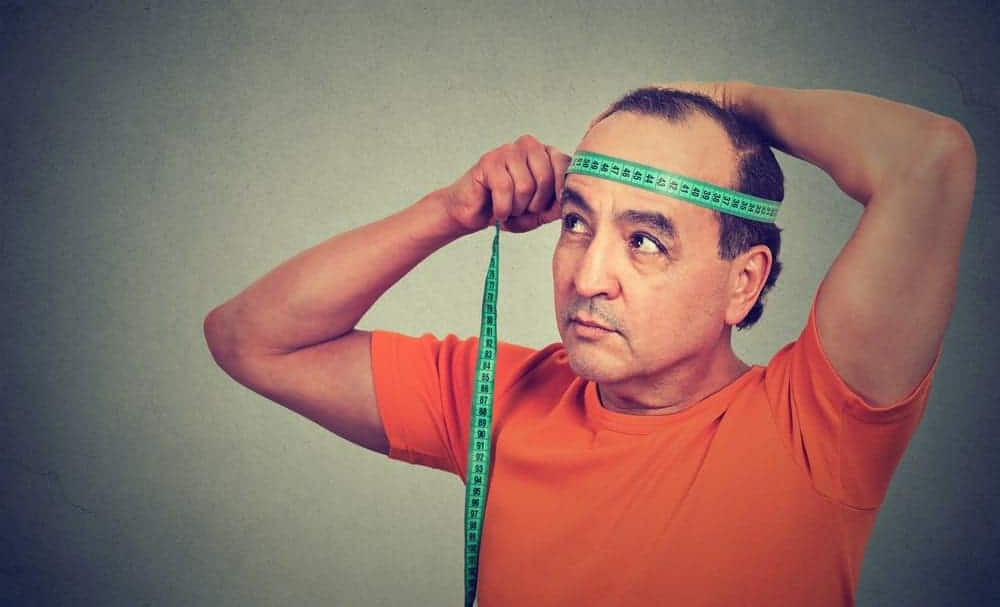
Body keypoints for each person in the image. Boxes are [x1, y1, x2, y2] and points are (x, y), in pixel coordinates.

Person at [203, 81, 976, 606]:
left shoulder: (818, 424)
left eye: (645, 239)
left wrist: (722, 101)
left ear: (743, 282)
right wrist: (448, 210)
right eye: (578, 221)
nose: (588, 274)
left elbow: (929, 161)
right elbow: (250, 339)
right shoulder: (499, 397)